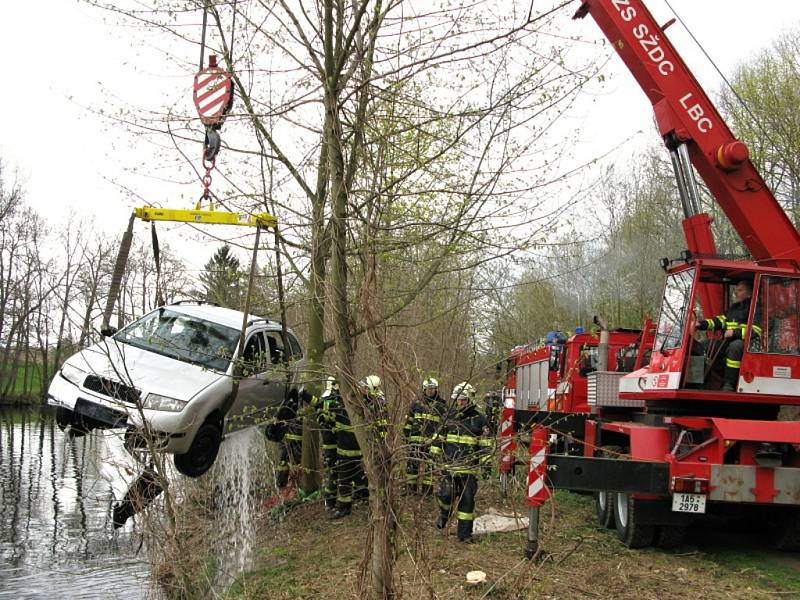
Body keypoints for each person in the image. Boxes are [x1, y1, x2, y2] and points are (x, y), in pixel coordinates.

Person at [431, 381, 494, 543]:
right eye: (458, 399)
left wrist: (486, 466)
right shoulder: (448, 416)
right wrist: (433, 459)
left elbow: (486, 446)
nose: (460, 403)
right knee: (446, 494)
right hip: (449, 465)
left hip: (469, 468)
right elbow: (438, 439)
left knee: (467, 501)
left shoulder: (479, 420)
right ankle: (443, 516)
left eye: (463, 400)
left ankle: (464, 535)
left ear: (470, 399)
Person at [691, 279, 759, 391]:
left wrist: (734, 332)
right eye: (736, 290)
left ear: (750, 293)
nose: (736, 293)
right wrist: (701, 324)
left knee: (735, 347)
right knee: (704, 345)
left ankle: (729, 385)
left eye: (740, 290)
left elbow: (757, 331)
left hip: (747, 345)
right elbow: (721, 321)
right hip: (728, 342)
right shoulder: (734, 308)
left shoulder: (756, 309)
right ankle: (698, 381)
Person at [404, 377, 447, 495]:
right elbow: (409, 422)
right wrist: (406, 437)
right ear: (423, 390)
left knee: (430, 467)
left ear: (436, 389)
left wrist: (438, 441)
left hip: (431, 442)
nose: (430, 391)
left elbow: (443, 426)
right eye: (428, 389)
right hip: (414, 440)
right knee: (412, 466)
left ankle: (426, 492)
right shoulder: (416, 404)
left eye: (432, 388)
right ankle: (410, 490)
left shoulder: (442, 406)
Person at [313, 376, 341, 510]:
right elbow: (322, 419)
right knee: (332, 472)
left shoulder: (327, 398)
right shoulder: (329, 399)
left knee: (336, 470)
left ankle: (332, 501)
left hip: (335, 440)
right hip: (331, 440)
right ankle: (330, 502)